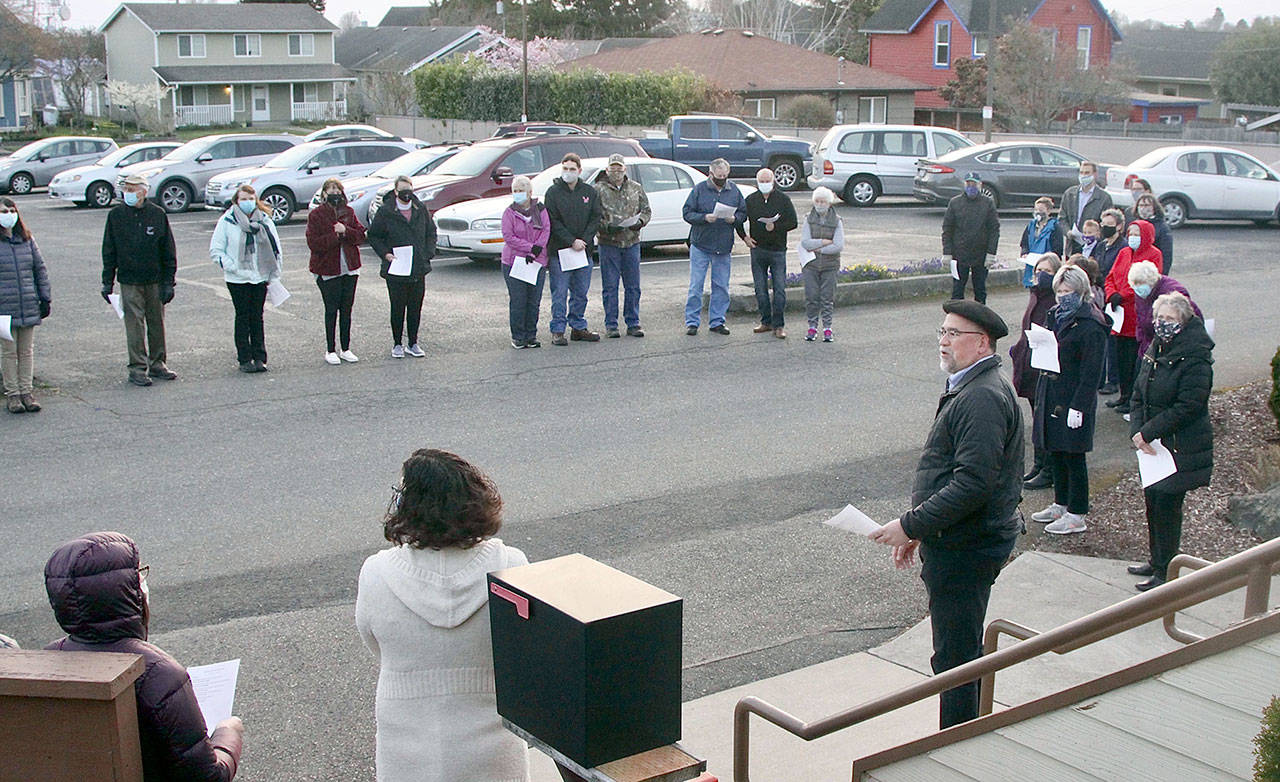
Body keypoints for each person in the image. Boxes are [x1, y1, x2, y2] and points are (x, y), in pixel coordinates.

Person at [868, 300, 1023, 729]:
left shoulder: (982, 397)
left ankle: (957, 743)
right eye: (942, 332)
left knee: (956, 658)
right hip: (955, 538)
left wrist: (911, 525)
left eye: (954, 335)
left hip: (967, 547)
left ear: (982, 343)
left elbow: (974, 483)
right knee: (956, 652)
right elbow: (955, 476)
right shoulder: (972, 386)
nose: (943, 342)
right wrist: (922, 530)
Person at [356, 449, 530, 782]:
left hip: (405, 747)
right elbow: (526, 650)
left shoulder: (376, 572)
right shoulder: (511, 566)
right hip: (493, 750)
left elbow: (375, 643)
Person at [44, 532, 245, 780]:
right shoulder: (156, 674)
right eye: (139, 574)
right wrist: (228, 734)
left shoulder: (48, 659)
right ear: (127, 592)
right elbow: (207, 777)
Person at [1129, 292, 1214, 591]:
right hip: (1152, 446)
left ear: (1183, 320)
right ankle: (1156, 561)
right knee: (1152, 503)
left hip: (1178, 446)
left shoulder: (1196, 355)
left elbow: (1190, 404)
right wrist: (1137, 432)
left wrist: (1149, 431)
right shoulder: (1156, 347)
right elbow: (1139, 391)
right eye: (1159, 318)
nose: (1161, 324)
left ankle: (1167, 570)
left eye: (1168, 319)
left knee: (1167, 507)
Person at [1028, 266, 1107, 535]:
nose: (1063, 296)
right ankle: (1060, 503)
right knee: (1056, 452)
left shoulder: (1091, 324)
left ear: (1081, 291)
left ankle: (1077, 512)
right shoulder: (1055, 315)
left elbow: (1092, 371)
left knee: (1074, 456)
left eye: (1068, 291)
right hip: (1052, 392)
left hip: (1073, 397)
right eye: (1059, 291)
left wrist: (1080, 406)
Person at [101, 174, 178, 387]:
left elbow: (168, 250)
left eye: (133, 189)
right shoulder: (116, 215)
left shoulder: (157, 214)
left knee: (156, 322)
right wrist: (107, 280)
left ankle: (158, 363)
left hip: (154, 278)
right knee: (134, 324)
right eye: (126, 189)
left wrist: (168, 282)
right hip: (129, 279)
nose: (128, 193)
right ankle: (136, 367)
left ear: (144, 191)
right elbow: (109, 249)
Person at [209, 184, 281, 374]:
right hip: (237, 279)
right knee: (242, 316)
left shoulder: (264, 220)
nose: (247, 203)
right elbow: (216, 250)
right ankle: (244, 358)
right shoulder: (227, 221)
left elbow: (276, 249)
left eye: (251, 199)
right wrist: (234, 267)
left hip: (260, 276)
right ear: (236, 201)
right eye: (243, 199)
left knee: (257, 317)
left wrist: (274, 274)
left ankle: (260, 357)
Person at [367, 175, 435, 359]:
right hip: (396, 267)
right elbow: (374, 236)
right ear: (396, 192)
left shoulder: (420, 208)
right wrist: (386, 254)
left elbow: (431, 232)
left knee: (415, 307)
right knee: (398, 307)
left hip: (417, 266)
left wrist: (428, 252)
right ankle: (397, 343)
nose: (407, 193)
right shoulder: (386, 211)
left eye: (409, 189)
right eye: (403, 190)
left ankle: (413, 343)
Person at [1009, 252, 1061, 489]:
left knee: (1045, 420)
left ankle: (1049, 469)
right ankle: (1039, 465)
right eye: (1038, 270)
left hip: (1046, 367)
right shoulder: (1035, 295)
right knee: (1036, 417)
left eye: (1047, 272)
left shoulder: (1055, 299)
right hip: (1030, 364)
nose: (1041, 275)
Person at [1104, 219, 1163, 415]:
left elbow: (1147, 280)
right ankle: (1124, 394)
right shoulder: (1124, 253)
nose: (1132, 237)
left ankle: (1133, 398)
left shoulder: (1154, 254)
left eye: (1137, 233)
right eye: (1130, 233)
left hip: (1137, 313)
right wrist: (1111, 293)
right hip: (1119, 314)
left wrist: (1125, 294)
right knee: (1121, 358)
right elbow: (1111, 276)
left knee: (1134, 359)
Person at [306, 177, 366, 365]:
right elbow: (313, 243)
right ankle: (330, 349)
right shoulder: (316, 215)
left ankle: (345, 348)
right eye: (330, 191)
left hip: (349, 268)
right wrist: (335, 235)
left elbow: (359, 236)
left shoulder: (348, 212)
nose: (334, 194)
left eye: (337, 191)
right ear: (324, 194)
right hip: (328, 269)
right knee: (331, 309)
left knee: (346, 309)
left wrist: (345, 230)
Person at [683, 158, 745, 335]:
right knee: (696, 285)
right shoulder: (700, 189)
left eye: (725, 176)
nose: (722, 179)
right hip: (701, 244)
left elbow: (743, 212)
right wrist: (703, 218)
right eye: (719, 176)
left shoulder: (734, 190)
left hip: (723, 246)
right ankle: (692, 322)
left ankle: (717, 321)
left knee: (721, 286)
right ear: (711, 174)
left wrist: (735, 219)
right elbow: (687, 212)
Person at [545, 153, 602, 346]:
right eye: (565, 169)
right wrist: (571, 241)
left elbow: (596, 217)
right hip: (560, 252)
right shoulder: (553, 193)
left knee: (580, 292)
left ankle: (578, 326)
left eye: (572, 169)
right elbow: (553, 221)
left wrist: (583, 240)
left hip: (583, 251)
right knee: (559, 292)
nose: (568, 173)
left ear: (579, 171)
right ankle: (558, 330)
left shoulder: (589, 192)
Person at [0, 197, 50, 413]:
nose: (8, 214)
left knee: (26, 351)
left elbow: (40, 269)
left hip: (27, 303)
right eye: (3, 211)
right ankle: (12, 394)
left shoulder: (27, 239)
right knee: (9, 352)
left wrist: (45, 297)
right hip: (4, 307)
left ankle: (26, 391)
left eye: (11, 210)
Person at [594, 154, 650, 339]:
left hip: (631, 242)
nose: (616, 172)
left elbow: (646, 210)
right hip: (609, 243)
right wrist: (607, 227)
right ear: (607, 169)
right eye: (613, 169)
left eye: (619, 169)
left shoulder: (636, 188)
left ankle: (633, 322)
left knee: (633, 286)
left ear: (624, 170)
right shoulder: (599, 190)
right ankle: (611, 324)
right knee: (610, 287)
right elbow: (593, 216)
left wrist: (640, 221)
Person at [740, 167, 798, 339]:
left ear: (773, 181)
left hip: (778, 250)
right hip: (758, 250)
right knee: (760, 288)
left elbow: (793, 222)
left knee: (779, 289)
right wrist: (745, 238)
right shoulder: (751, 200)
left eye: (768, 181)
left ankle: (779, 325)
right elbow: (738, 219)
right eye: (762, 181)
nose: (765, 184)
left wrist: (776, 226)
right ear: (757, 182)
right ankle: (766, 321)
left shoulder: (783, 199)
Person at [501, 175, 551, 349]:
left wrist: (537, 249)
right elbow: (509, 237)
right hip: (514, 261)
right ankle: (518, 336)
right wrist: (529, 248)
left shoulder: (540, 209)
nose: (518, 194)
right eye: (515, 191)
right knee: (518, 300)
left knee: (533, 301)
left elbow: (545, 230)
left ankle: (531, 335)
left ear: (530, 192)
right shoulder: (509, 213)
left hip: (537, 261)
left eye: (521, 191)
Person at [942, 172, 999, 304]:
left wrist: (991, 253)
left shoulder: (987, 203)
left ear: (980, 185)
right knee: (957, 290)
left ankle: (980, 318)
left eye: (974, 184)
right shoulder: (955, 203)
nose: (971, 187)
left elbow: (994, 230)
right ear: (964, 185)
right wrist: (947, 253)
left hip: (981, 254)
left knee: (980, 290)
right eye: (968, 184)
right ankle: (956, 317)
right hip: (959, 254)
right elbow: (947, 229)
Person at [1128, 260, 1202, 359]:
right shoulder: (1141, 294)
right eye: (1135, 285)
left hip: (1171, 351)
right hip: (1148, 348)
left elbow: (1191, 320)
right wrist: (1142, 340)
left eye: (1140, 283)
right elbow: (1140, 318)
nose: (1138, 289)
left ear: (1151, 281)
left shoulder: (1173, 292)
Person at [799, 186, 844, 342]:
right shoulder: (808, 218)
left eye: (823, 201)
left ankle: (827, 328)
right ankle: (812, 326)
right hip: (810, 264)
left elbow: (838, 246)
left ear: (829, 203)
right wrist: (824, 243)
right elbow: (805, 242)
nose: (819, 204)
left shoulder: (837, 221)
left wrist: (817, 248)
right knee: (811, 296)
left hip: (830, 265)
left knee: (827, 297)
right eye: (817, 201)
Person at [1096, 208, 1127, 396]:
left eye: (1109, 225)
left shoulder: (1123, 248)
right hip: (1101, 295)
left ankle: (1114, 380)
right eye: (1103, 224)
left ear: (1119, 226)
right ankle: (1102, 377)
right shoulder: (1101, 246)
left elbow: (1118, 274)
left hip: (1115, 299)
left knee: (1113, 341)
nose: (1104, 228)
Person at [1059, 161, 1113, 256]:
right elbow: (1062, 218)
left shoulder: (1104, 198)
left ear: (1095, 175)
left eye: (1087, 173)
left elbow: (1107, 223)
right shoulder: (1070, 194)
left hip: (1093, 247)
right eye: (1081, 172)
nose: (1083, 176)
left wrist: (1094, 234)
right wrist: (1068, 232)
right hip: (1073, 245)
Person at [1018, 197, 1062, 288]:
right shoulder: (1031, 225)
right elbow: (1024, 243)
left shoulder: (1054, 227)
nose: (1038, 212)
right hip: (1032, 264)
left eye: (1041, 210)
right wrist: (1024, 253)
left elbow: (1058, 247)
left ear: (1048, 211)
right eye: (1036, 209)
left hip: (1047, 265)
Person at [1131, 192, 1174, 273]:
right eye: (1141, 205)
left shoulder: (1162, 227)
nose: (1143, 208)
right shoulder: (1135, 224)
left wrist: (1162, 274)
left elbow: (1166, 254)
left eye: (1147, 205)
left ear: (1154, 207)